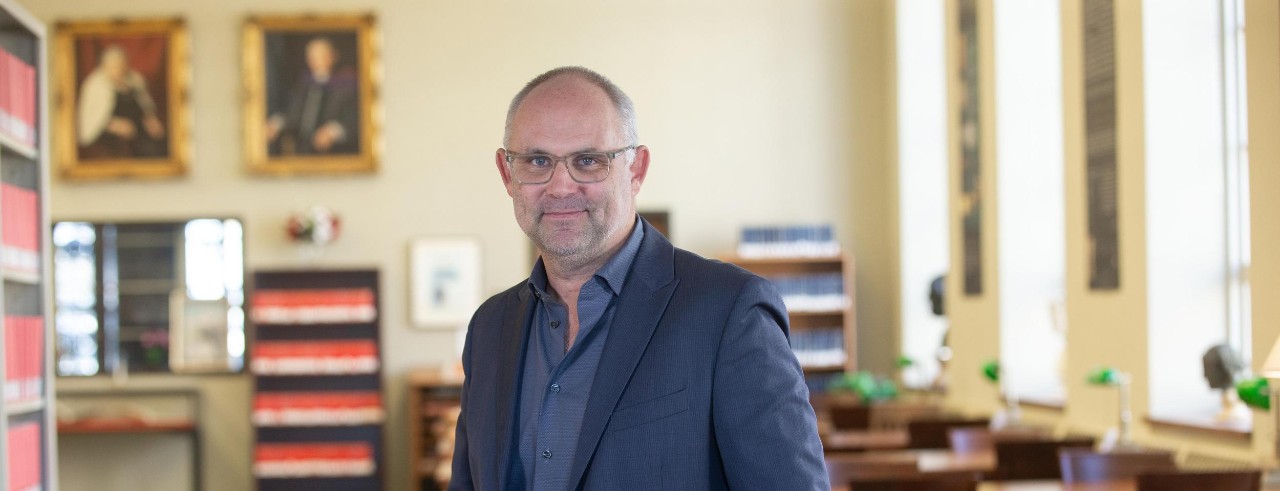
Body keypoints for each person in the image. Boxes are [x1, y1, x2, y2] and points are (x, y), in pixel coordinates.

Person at [449, 66, 828, 490]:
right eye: (537, 161)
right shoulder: (489, 328)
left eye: (587, 161)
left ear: (636, 170)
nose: (560, 186)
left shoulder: (728, 312)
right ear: (507, 174)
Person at [265, 36, 358, 155]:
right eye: (312, 57)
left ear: (334, 56)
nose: (315, 61)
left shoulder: (348, 84)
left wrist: (333, 131)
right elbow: (292, 113)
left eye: (321, 56)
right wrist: (276, 124)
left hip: (335, 152)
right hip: (302, 149)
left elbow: (354, 120)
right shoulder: (304, 84)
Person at [77, 44, 166, 159]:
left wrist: (151, 119)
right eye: (114, 66)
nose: (119, 69)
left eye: (122, 65)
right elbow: (92, 118)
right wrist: (115, 125)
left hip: (138, 129)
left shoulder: (135, 79)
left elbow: (145, 104)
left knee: (159, 147)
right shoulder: (95, 85)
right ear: (105, 66)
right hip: (108, 136)